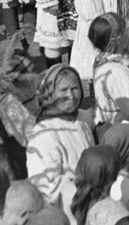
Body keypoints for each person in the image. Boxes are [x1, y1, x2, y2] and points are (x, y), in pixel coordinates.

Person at [27, 64, 94, 206]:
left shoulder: (81, 117)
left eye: (75, 88)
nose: (70, 96)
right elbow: (44, 188)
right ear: (50, 93)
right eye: (63, 90)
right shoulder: (44, 133)